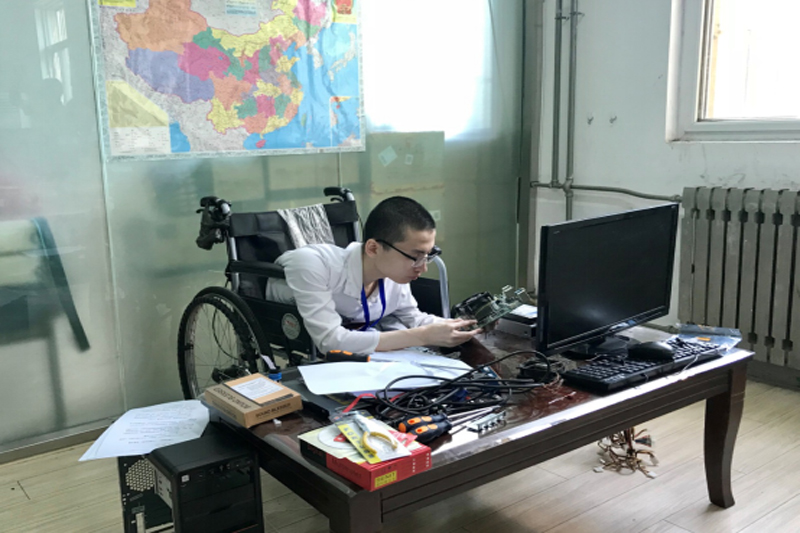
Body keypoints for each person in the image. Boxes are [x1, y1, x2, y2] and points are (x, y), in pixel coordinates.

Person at [265, 196, 481, 354]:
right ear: (373, 248)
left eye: (427, 255)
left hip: (358, 329)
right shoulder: (313, 264)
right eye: (416, 256)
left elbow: (412, 318)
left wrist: (464, 327)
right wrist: (422, 336)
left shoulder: (395, 272)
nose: (422, 267)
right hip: (292, 327)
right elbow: (329, 341)